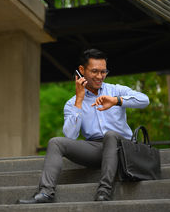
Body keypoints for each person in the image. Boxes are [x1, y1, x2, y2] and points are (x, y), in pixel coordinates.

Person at [17, 48, 149, 203]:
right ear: (82, 70)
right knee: (56, 142)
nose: (100, 76)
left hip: (122, 148)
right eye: (95, 71)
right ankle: (46, 192)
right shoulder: (71, 103)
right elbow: (71, 135)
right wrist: (79, 100)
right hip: (96, 149)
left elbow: (144, 100)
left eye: (103, 72)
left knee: (110, 135)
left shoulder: (115, 90)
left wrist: (116, 100)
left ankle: (104, 191)